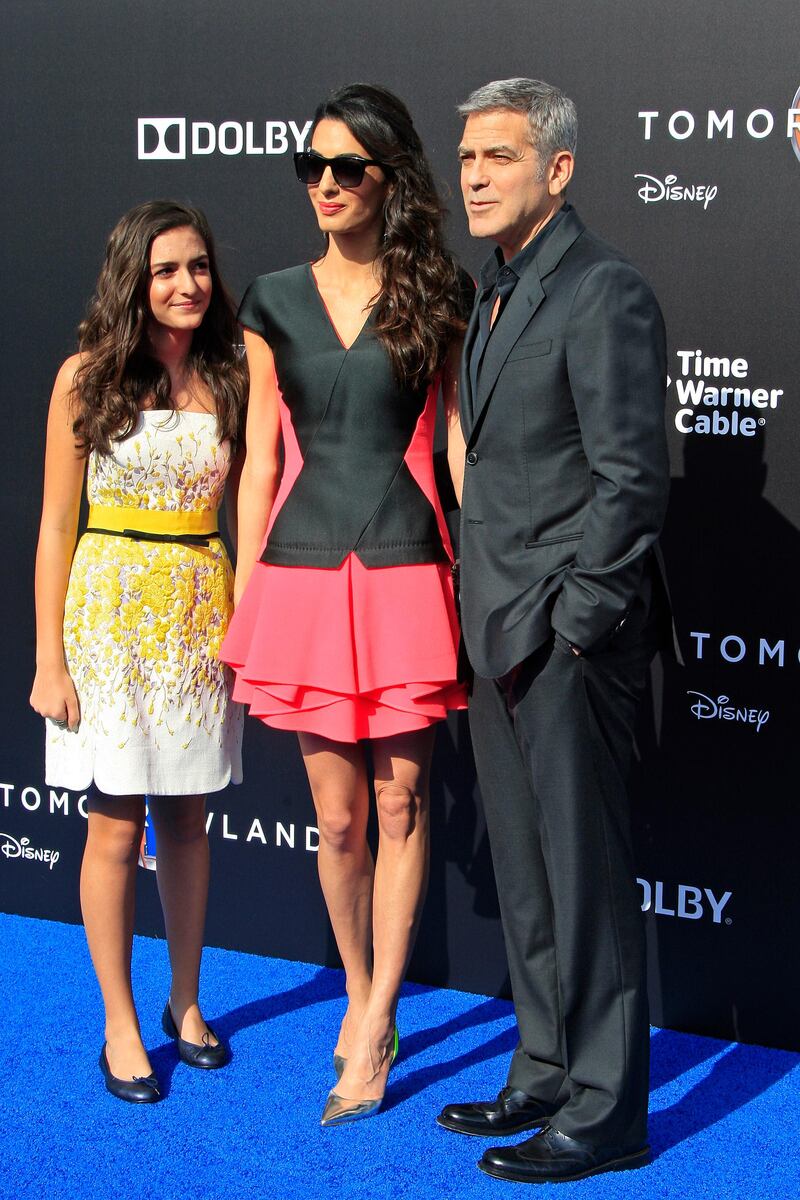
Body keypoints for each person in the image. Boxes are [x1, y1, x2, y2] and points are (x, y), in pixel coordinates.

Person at [221, 83, 471, 1125]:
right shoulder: (272, 298)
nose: (324, 184)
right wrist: (240, 601)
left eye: (346, 168)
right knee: (336, 819)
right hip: (301, 576)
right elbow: (257, 462)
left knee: (404, 804)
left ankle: (370, 1023)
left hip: (410, 564)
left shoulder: (436, 293)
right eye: (310, 167)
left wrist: (488, 562)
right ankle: (365, 984)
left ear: (386, 177)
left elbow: (455, 438)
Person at [437, 79, 672, 1182]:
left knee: (582, 876)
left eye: (497, 157)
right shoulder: (493, 291)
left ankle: (605, 1106)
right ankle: (539, 1066)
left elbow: (628, 485)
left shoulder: (602, 291)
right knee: (529, 875)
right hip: (492, 630)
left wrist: (573, 625)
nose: (471, 175)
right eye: (466, 156)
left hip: (565, 641)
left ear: (558, 169)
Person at [30, 200, 247, 1103]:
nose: (186, 284)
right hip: (109, 615)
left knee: (191, 820)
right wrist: (49, 657)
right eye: (166, 270)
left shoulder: (233, 376)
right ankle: (120, 1024)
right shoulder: (85, 379)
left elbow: (249, 509)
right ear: (133, 278)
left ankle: (184, 1006)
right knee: (116, 823)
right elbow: (53, 527)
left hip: (200, 609)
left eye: (198, 266)